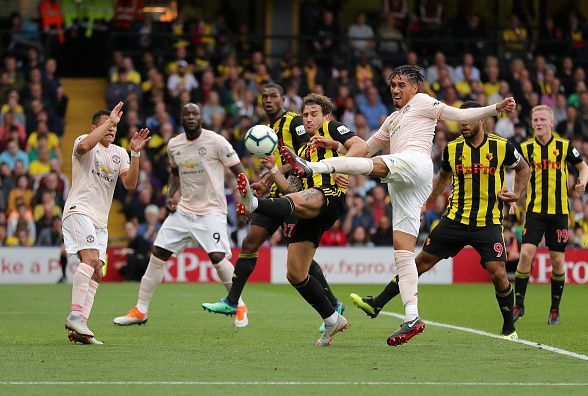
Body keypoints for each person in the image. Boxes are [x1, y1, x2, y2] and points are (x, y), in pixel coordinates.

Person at [282, 65, 517, 344]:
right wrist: (335, 145)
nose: (395, 89)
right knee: (403, 252)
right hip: (406, 184)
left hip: (414, 164)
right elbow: (365, 148)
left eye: (401, 84)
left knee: (372, 167)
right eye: (392, 85)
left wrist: (495, 108)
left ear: (415, 87)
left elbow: (460, 115)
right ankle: (412, 317)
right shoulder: (392, 119)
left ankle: (309, 168)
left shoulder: (423, 102)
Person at [350, 101, 530, 343]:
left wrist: (517, 193)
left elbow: (523, 168)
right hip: (453, 220)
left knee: (498, 273)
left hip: (487, 223)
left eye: (468, 119)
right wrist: (427, 203)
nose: (463, 124)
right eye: (461, 120)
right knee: (419, 262)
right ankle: (377, 304)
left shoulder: (501, 146)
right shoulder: (453, 149)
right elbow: (442, 177)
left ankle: (509, 327)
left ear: (481, 120)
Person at [206, 93, 368, 346]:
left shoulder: (331, 128)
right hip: (307, 205)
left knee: (306, 196)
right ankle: (331, 318)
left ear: (325, 116)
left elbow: (362, 147)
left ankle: (255, 204)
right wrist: (272, 169)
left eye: (314, 114)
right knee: (295, 273)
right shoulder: (303, 149)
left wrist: (340, 162)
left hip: (328, 196)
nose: (309, 119)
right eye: (305, 115)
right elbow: (290, 190)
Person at [113, 103, 250, 328]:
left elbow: (239, 172)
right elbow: (175, 173)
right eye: (187, 114)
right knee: (157, 254)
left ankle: (239, 305)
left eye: (195, 113)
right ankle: (140, 310)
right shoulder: (174, 144)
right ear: (182, 118)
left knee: (217, 257)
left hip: (211, 210)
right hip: (184, 210)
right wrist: (171, 195)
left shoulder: (216, 141)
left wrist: (245, 203)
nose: (191, 117)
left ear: (201, 118)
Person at [63, 102, 150, 344]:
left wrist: (135, 153)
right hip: (78, 210)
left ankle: (80, 328)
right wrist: (110, 121)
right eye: (107, 125)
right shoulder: (84, 141)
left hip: (100, 221)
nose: (112, 129)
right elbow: (84, 145)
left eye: (114, 125)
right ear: (95, 127)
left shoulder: (119, 153)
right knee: (90, 259)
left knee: (98, 271)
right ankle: (75, 315)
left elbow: (130, 184)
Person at [513, 105, 588, 325]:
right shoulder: (525, 148)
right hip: (535, 211)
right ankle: (519, 305)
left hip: (559, 214)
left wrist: (582, 180)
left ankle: (554, 309)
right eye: (535, 119)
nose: (538, 123)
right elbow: (515, 172)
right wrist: (514, 196)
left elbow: (583, 167)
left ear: (551, 122)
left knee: (557, 261)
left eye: (542, 119)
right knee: (526, 254)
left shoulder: (564, 146)